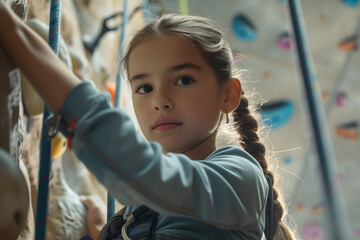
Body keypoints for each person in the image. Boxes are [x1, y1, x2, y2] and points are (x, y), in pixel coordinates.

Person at [0, 1, 298, 239]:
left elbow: (145, 173)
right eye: (144, 88)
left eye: (183, 80)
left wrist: (12, 33)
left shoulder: (241, 180)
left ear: (228, 95)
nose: (160, 101)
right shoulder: (138, 208)